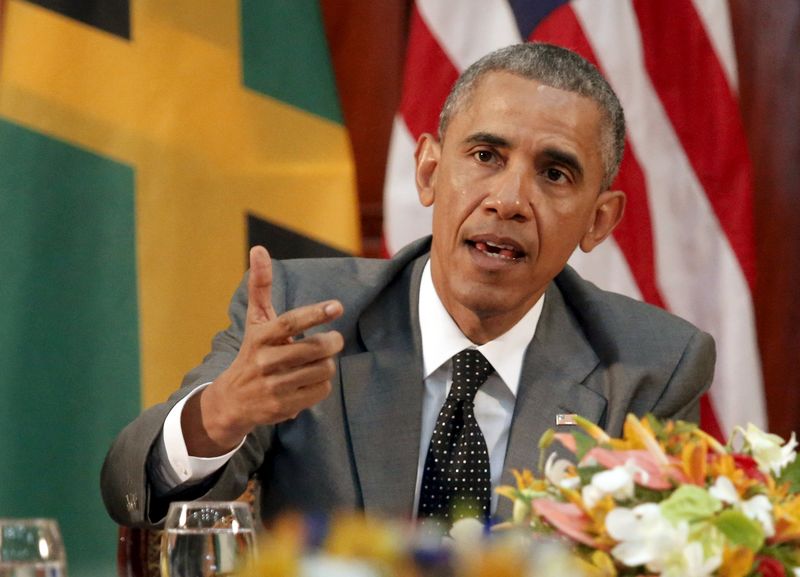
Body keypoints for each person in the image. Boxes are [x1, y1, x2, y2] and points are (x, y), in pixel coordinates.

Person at [101, 42, 714, 528]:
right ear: (428, 171)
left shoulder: (650, 368)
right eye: (485, 156)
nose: (509, 200)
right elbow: (131, 489)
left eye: (554, 173)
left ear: (599, 220)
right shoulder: (309, 317)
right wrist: (220, 414)